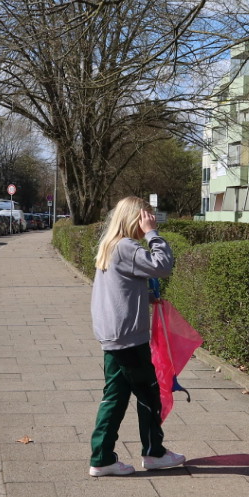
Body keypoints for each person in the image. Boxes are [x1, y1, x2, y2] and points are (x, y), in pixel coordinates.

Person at [88, 197, 186, 477]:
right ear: (136, 219)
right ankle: (154, 453)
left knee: (115, 397)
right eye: (146, 217)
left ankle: (102, 457)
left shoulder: (110, 245)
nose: (149, 221)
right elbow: (163, 266)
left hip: (113, 335)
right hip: (129, 338)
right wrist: (153, 233)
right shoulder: (127, 246)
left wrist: (145, 295)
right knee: (149, 395)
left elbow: (120, 287)